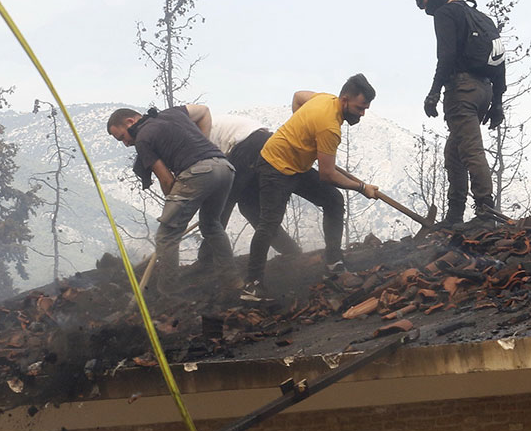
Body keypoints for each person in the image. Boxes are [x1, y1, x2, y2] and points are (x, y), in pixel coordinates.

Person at [241, 75, 383, 303]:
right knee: (269, 223)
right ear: (345, 100)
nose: (362, 114)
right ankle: (252, 286)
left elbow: (298, 96)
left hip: (297, 166)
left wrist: (302, 132)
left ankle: (333, 263)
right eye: (360, 108)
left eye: (366, 108)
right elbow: (327, 175)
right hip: (275, 165)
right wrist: (361, 187)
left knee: (333, 200)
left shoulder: (325, 99)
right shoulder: (329, 128)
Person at [107, 104, 236, 293]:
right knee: (211, 225)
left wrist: (173, 203)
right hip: (225, 167)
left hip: (199, 172)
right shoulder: (173, 113)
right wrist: (203, 142)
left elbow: (166, 179)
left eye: (122, 137)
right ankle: (233, 281)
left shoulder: (143, 138)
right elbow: (204, 111)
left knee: (166, 236)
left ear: (130, 122)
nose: (126, 143)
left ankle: (168, 292)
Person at [414, 0, 508, 225]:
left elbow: (446, 55)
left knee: (469, 149)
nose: (426, 10)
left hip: (462, 89)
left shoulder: (446, 13)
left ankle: (486, 211)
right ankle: (455, 214)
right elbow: (500, 58)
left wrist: (434, 92)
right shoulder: (480, 17)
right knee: (454, 152)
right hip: (484, 90)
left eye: (425, 4)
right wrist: (497, 101)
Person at [205, 110, 300, 257]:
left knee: (222, 201)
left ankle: (207, 258)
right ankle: (291, 252)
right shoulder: (201, 129)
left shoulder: (192, 137)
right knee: (250, 208)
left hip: (249, 143)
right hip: (264, 143)